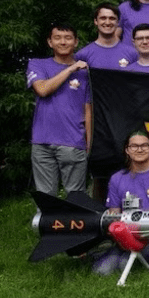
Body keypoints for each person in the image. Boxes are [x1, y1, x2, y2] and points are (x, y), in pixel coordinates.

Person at [93, 131, 149, 275]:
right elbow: (114, 215)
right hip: (126, 237)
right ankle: (101, 254)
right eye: (134, 146)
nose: (139, 149)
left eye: (144, 145)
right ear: (127, 150)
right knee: (101, 271)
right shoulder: (117, 178)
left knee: (124, 264)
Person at [28, 23, 90, 196]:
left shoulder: (86, 73)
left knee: (76, 198)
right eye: (58, 38)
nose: (63, 42)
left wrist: (89, 144)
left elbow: (88, 110)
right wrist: (71, 68)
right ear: (50, 42)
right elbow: (42, 89)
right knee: (46, 198)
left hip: (73, 142)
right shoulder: (37, 65)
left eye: (68, 38)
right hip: (42, 142)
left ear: (76, 42)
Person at [76, 2, 137, 70]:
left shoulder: (133, 54)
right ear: (96, 21)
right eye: (103, 18)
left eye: (112, 18)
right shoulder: (83, 55)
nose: (107, 22)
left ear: (118, 22)